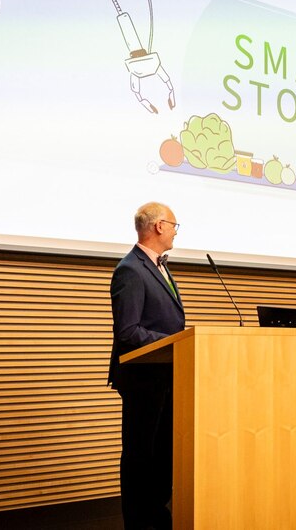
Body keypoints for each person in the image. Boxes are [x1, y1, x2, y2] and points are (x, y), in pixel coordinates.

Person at [108, 202, 184, 530]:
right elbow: (127, 332)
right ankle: (138, 521)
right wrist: (175, 341)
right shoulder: (131, 269)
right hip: (143, 379)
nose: (176, 231)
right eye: (174, 225)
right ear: (157, 226)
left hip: (165, 376)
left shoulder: (160, 267)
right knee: (140, 455)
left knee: (162, 454)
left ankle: (155, 515)